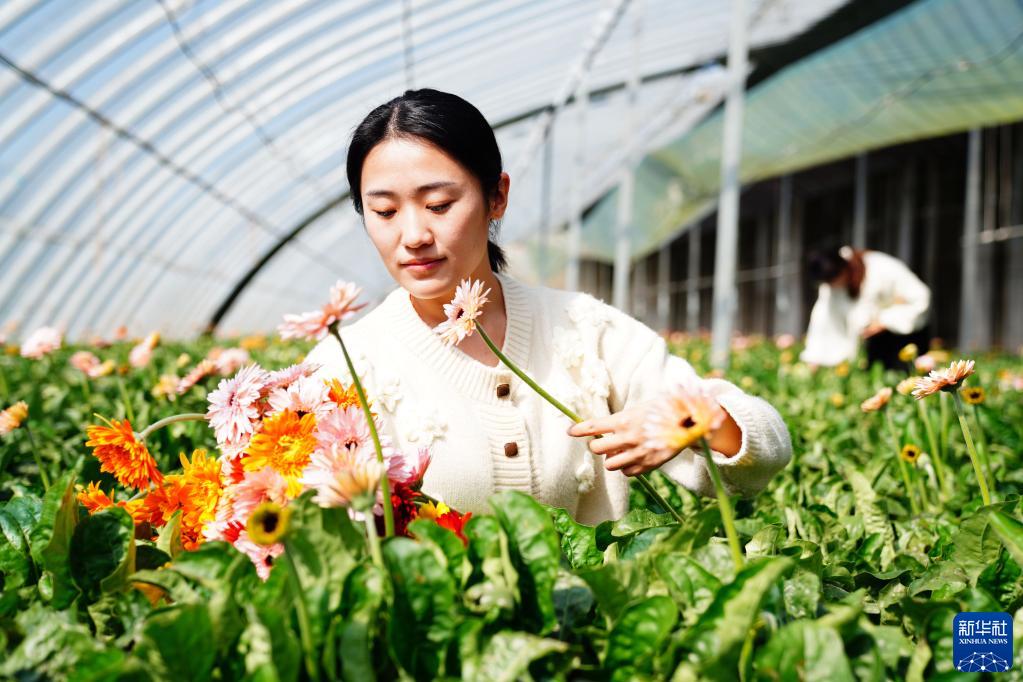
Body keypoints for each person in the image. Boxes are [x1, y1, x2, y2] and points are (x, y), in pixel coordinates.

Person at [306, 89, 791, 525]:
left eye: (438, 205)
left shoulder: (583, 330)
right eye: (385, 212)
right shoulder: (342, 367)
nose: (413, 236)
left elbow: (763, 444)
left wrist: (695, 424)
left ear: (497, 196)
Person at [801, 246, 931, 370]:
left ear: (843, 267)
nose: (833, 286)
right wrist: (814, 355)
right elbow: (822, 319)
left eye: (834, 280)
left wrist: (884, 321)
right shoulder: (830, 284)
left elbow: (921, 298)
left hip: (904, 338)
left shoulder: (882, 266)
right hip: (872, 345)